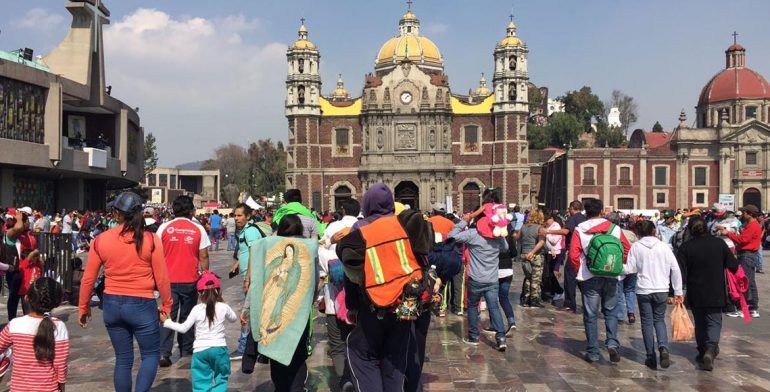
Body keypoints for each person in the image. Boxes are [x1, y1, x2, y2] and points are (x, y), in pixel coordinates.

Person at [336, 183, 435, 391]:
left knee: (362, 355)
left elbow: (351, 273)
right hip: (405, 305)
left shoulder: (361, 229)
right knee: (395, 359)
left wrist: (352, 306)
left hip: (372, 305)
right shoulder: (406, 225)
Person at [78, 191, 173, 392]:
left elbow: (89, 278)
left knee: (123, 359)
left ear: (117, 214)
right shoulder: (151, 239)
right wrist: (166, 304)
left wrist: (83, 307)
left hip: (112, 304)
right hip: (142, 304)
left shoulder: (101, 240)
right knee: (150, 355)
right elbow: (162, 277)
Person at [568, 198, 631, 363]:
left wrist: (580, 271)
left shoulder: (580, 229)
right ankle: (612, 343)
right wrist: (616, 264)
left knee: (590, 314)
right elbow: (626, 249)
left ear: (586, 212)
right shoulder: (615, 228)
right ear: (602, 211)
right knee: (610, 311)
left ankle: (593, 352)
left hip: (589, 276)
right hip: (611, 275)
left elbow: (573, 255)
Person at [677, 215, 739, 371]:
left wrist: (677, 291)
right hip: (716, 290)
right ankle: (711, 349)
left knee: (700, 323)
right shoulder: (719, 244)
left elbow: (680, 273)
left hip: (696, 291)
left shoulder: (686, 247)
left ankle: (702, 350)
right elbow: (733, 265)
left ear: (690, 230)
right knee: (714, 321)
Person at [157, 195, 211, 367]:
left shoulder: (164, 228)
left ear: (173, 210)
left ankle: (164, 353)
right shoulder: (198, 229)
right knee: (188, 316)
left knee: (168, 316)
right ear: (191, 211)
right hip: (190, 279)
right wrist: (206, 274)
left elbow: (156, 254)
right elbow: (203, 255)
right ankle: (186, 351)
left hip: (168, 281)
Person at [160, 272, 238, 392]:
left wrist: (167, 322)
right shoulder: (223, 307)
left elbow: (184, 328)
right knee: (221, 378)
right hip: (219, 349)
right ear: (218, 291)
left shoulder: (196, 309)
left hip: (200, 351)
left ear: (199, 293)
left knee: (201, 382)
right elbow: (233, 319)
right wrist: (222, 301)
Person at [624, 220, 683, 369]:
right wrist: (677, 291)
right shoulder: (664, 247)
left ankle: (650, 355)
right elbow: (675, 269)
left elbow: (630, 268)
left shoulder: (636, 247)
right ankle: (663, 347)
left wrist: (616, 269)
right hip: (661, 289)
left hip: (643, 289)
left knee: (646, 322)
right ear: (653, 231)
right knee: (659, 320)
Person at [450, 204, 509, 350]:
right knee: (493, 307)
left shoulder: (473, 234)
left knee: (472, 307)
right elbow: (506, 247)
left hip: (476, 279)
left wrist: (465, 220)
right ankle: (501, 337)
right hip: (492, 279)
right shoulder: (497, 237)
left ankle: (474, 336)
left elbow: (452, 236)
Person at [318, 199, 360, 390]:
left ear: (342, 210)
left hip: (334, 295)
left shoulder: (333, 226)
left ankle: (344, 380)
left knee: (337, 342)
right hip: (361, 296)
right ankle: (358, 377)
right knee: (359, 342)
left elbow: (320, 253)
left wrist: (328, 245)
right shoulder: (364, 226)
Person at [0, 278, 69, 391]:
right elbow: (60, 364)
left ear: (27, 298)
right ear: (56, 302)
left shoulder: (15, 325)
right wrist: (62, 387)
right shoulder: (59, 326)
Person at [229, 203, 264, 360]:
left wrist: (248, 279)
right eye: (235, 215)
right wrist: (237, 265)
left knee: (246, 314)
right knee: (252, 313)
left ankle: (243, 348)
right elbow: (245, 252)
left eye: (239, 215)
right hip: (249, 277)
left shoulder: (250, 232)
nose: (236, 218)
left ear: (248, 216)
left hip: (253, 279)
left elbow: (254, 254)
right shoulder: (245, 231)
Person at [720, 204, 762, 319]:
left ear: (749, 214)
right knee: (750, 281)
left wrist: (727, 233)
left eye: (744, 213)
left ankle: (744, 309)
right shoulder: (752, 225)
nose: (742, 214)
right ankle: (752, 308)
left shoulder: (753, 225)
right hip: (749, 255)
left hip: (747, 255)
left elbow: (742, 240)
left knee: (743, 282)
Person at [545, 201, 586, 313]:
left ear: (573, 208)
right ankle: (588, 301)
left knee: (569, 278)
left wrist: (548, 231)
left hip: (574, 251)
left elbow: (565, 231)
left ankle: (569, 304)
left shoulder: (573, 218)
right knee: (582, 277)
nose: (569, 210)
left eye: (569, 208)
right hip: (584, 252)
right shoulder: (584, 218)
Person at [606, 212, 639, 324]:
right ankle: (631, 312)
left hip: (619, 266)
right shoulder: (630, 233)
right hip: (632, 266)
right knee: (630, 290)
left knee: (618, 291)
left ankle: (620, 316)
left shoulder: (609, 234)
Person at [5, 208, 36, 320]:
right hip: (14, 271)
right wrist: (19, 215)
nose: (28, 222)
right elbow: (18, 227)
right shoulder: (11, 233)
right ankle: (11, 321)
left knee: (27, 296)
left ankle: (28, 319)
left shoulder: (28, 235)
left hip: (26, 270)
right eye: (25, 220)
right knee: (14, 296)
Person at [515, 209, 546, 308]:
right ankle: (534, 299)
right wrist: (532, 252)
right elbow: (541, 242)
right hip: (535, 255)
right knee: (536, 278)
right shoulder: (539, 228)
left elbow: (516, 237)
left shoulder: (523, 227)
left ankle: (526, 298)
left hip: (524, 254)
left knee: (528, 277)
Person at [543, 212, 565, 304]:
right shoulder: (548, 227)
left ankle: (559, 291)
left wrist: (546, 234)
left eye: (547, 220)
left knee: (552, 273)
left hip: (556, 252)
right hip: (549, 252)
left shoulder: (556, 227)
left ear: (551, 218)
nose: (546, 222)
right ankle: (552, 290)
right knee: (548, 273)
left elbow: (554, 240)